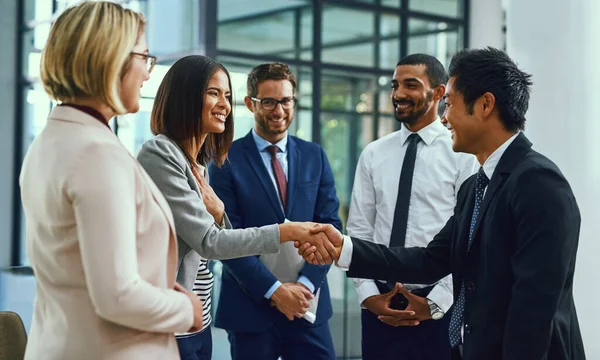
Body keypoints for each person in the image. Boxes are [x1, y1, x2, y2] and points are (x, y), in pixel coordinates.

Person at [299, 48, 585, 360]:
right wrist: (343, 247)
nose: (444, 116)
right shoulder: (479, 186)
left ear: (485, 105)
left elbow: (533, 311)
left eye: (450, 103)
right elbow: (430, 260)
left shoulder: (538, 182)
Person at [19, 2, 204, 359]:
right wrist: (187, 310)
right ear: (112, 58)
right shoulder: (95, 154)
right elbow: (118, 295)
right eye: (145, 58)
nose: (149, 73)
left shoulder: (51, 142)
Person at [136, 56, 334, 360]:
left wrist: (218, 214)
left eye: (226, 96)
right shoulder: (164, 153)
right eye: (213, 93)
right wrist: (287, 232)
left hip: (197, 318)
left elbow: (210, 237)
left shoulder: (198, 162)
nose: (224, 105)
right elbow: (212, 242)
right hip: (178, 319)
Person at [347, 54, 477, 360]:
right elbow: (359, 230)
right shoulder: (374, 154)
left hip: (436, 308)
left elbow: (466, 238)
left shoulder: (462, 155)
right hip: (378, 305)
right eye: (394, 85)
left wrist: (434, 303)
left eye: (410, 85)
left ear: (438, 93)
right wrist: (368, 296)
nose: (398, 94)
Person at [208, 62, 342, 360]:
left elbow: (330, 225)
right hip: (250, 307)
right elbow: (226, 238)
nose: (279, 110)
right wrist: (275, 291)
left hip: (309, 306)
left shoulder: (314, 155)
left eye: (285, 101)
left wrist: (305, 286)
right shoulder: (224, 160)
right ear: (249, 103)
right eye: (268, 101)